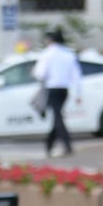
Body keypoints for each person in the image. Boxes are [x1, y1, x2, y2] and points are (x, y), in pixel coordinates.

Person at [32, 28, 82, 157]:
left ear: (50, 40)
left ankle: (66, 144)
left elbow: (40, 73)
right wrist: (78, 93)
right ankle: (49, 144)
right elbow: (76, 75)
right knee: (57, 116)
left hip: (52, 89)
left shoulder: (47, 54)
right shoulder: (68, 54)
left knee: (57, 117)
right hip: (64, 90)